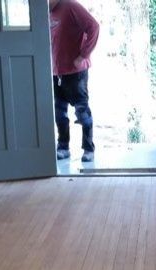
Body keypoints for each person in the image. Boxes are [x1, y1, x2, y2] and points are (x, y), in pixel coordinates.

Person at [49, 0, 100, 163]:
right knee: (60, 113)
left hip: (76, 72)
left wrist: (83, 55)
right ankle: (63, 147)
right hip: (57, 73)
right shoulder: (46, 13)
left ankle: (88, 149)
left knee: (82, 112)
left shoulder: (71, 6)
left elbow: (94, 27)